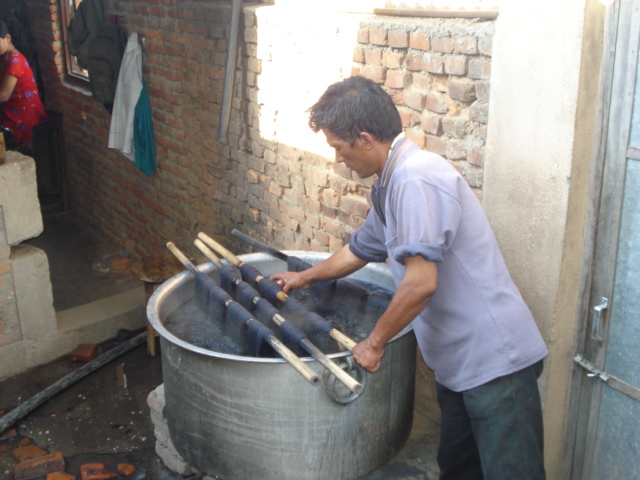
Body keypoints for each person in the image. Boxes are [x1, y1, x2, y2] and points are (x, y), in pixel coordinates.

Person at [270, 76, 548, 480]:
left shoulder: (417, 180)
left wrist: (373, 343)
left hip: (494, 364)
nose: (338, 160)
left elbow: (421, 283)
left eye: (338, 148)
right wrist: (304, 278)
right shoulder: (390, 184)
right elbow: (357, 251)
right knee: (457, 469)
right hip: (458, 366)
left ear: (365, 139)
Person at [0, 20, 47, 152]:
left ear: (8, 37)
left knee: (5, 135)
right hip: (13, 106)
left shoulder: (15, 60)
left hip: (24, 111)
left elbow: (4, 95)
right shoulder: (4, 58)